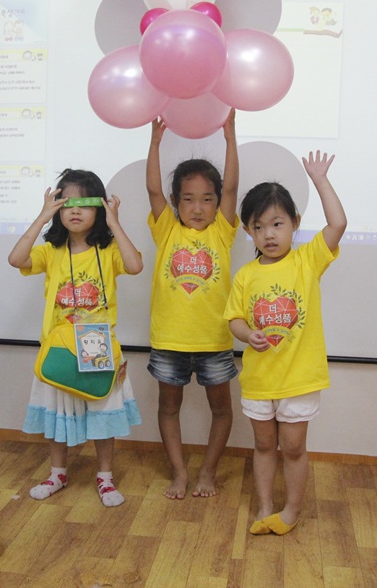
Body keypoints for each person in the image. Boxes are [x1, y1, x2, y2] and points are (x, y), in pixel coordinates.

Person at [224, 151, 347, 535]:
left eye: (277, 224)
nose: (269, 234)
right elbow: (234, 319)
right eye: (259, 227)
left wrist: (319, 179)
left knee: (292, 449)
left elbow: (338, 223)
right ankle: (264, 506)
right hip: (260, 380)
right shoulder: (245, 275)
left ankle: (291, 511)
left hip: (298, 380)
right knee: (263, 447)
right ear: (249, 231)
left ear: (294, 222)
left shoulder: (308, 260)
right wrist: (247, 334)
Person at [8, 168, 143, 507]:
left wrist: (114, 224)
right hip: (60, 348)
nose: (75, 210)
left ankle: (105, 478)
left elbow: (135, 265)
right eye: (66, 202)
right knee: (58, 414)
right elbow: (16, 259)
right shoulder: (52, 251)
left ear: (99, 207)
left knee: (103, 413)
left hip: (97, 347)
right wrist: (41, 217)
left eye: (84, 202)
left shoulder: (108, 250)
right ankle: (58, 473)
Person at [145, 111, 239, 499]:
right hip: (170, 340)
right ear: (175, 202)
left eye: (206, 199)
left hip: (214, 340)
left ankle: (208, 473)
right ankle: (180, 472)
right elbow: (153, 191)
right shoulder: (167, 229)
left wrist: (231, 140)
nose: (197, 208)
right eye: (188, 199)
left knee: (221, 409)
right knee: (169, 407)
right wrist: (154, 143)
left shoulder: (222, 231)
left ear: (217, 204)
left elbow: (232, 188)